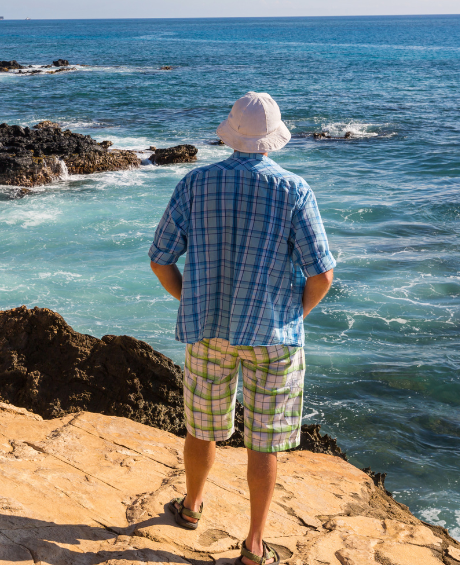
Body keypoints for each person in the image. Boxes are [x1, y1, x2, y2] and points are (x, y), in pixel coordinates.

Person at [148, 92, 336, 565]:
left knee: (202, 426)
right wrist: (292, 315)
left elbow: (160, 259)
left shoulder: (196, 183)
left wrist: (191, 299)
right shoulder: (294, 190)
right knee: (265, 438)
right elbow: (322, 275)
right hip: (273, 335)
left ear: (230, 133)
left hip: (208, 329)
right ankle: (254, 544)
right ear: (273, 140)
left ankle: (191, 507)